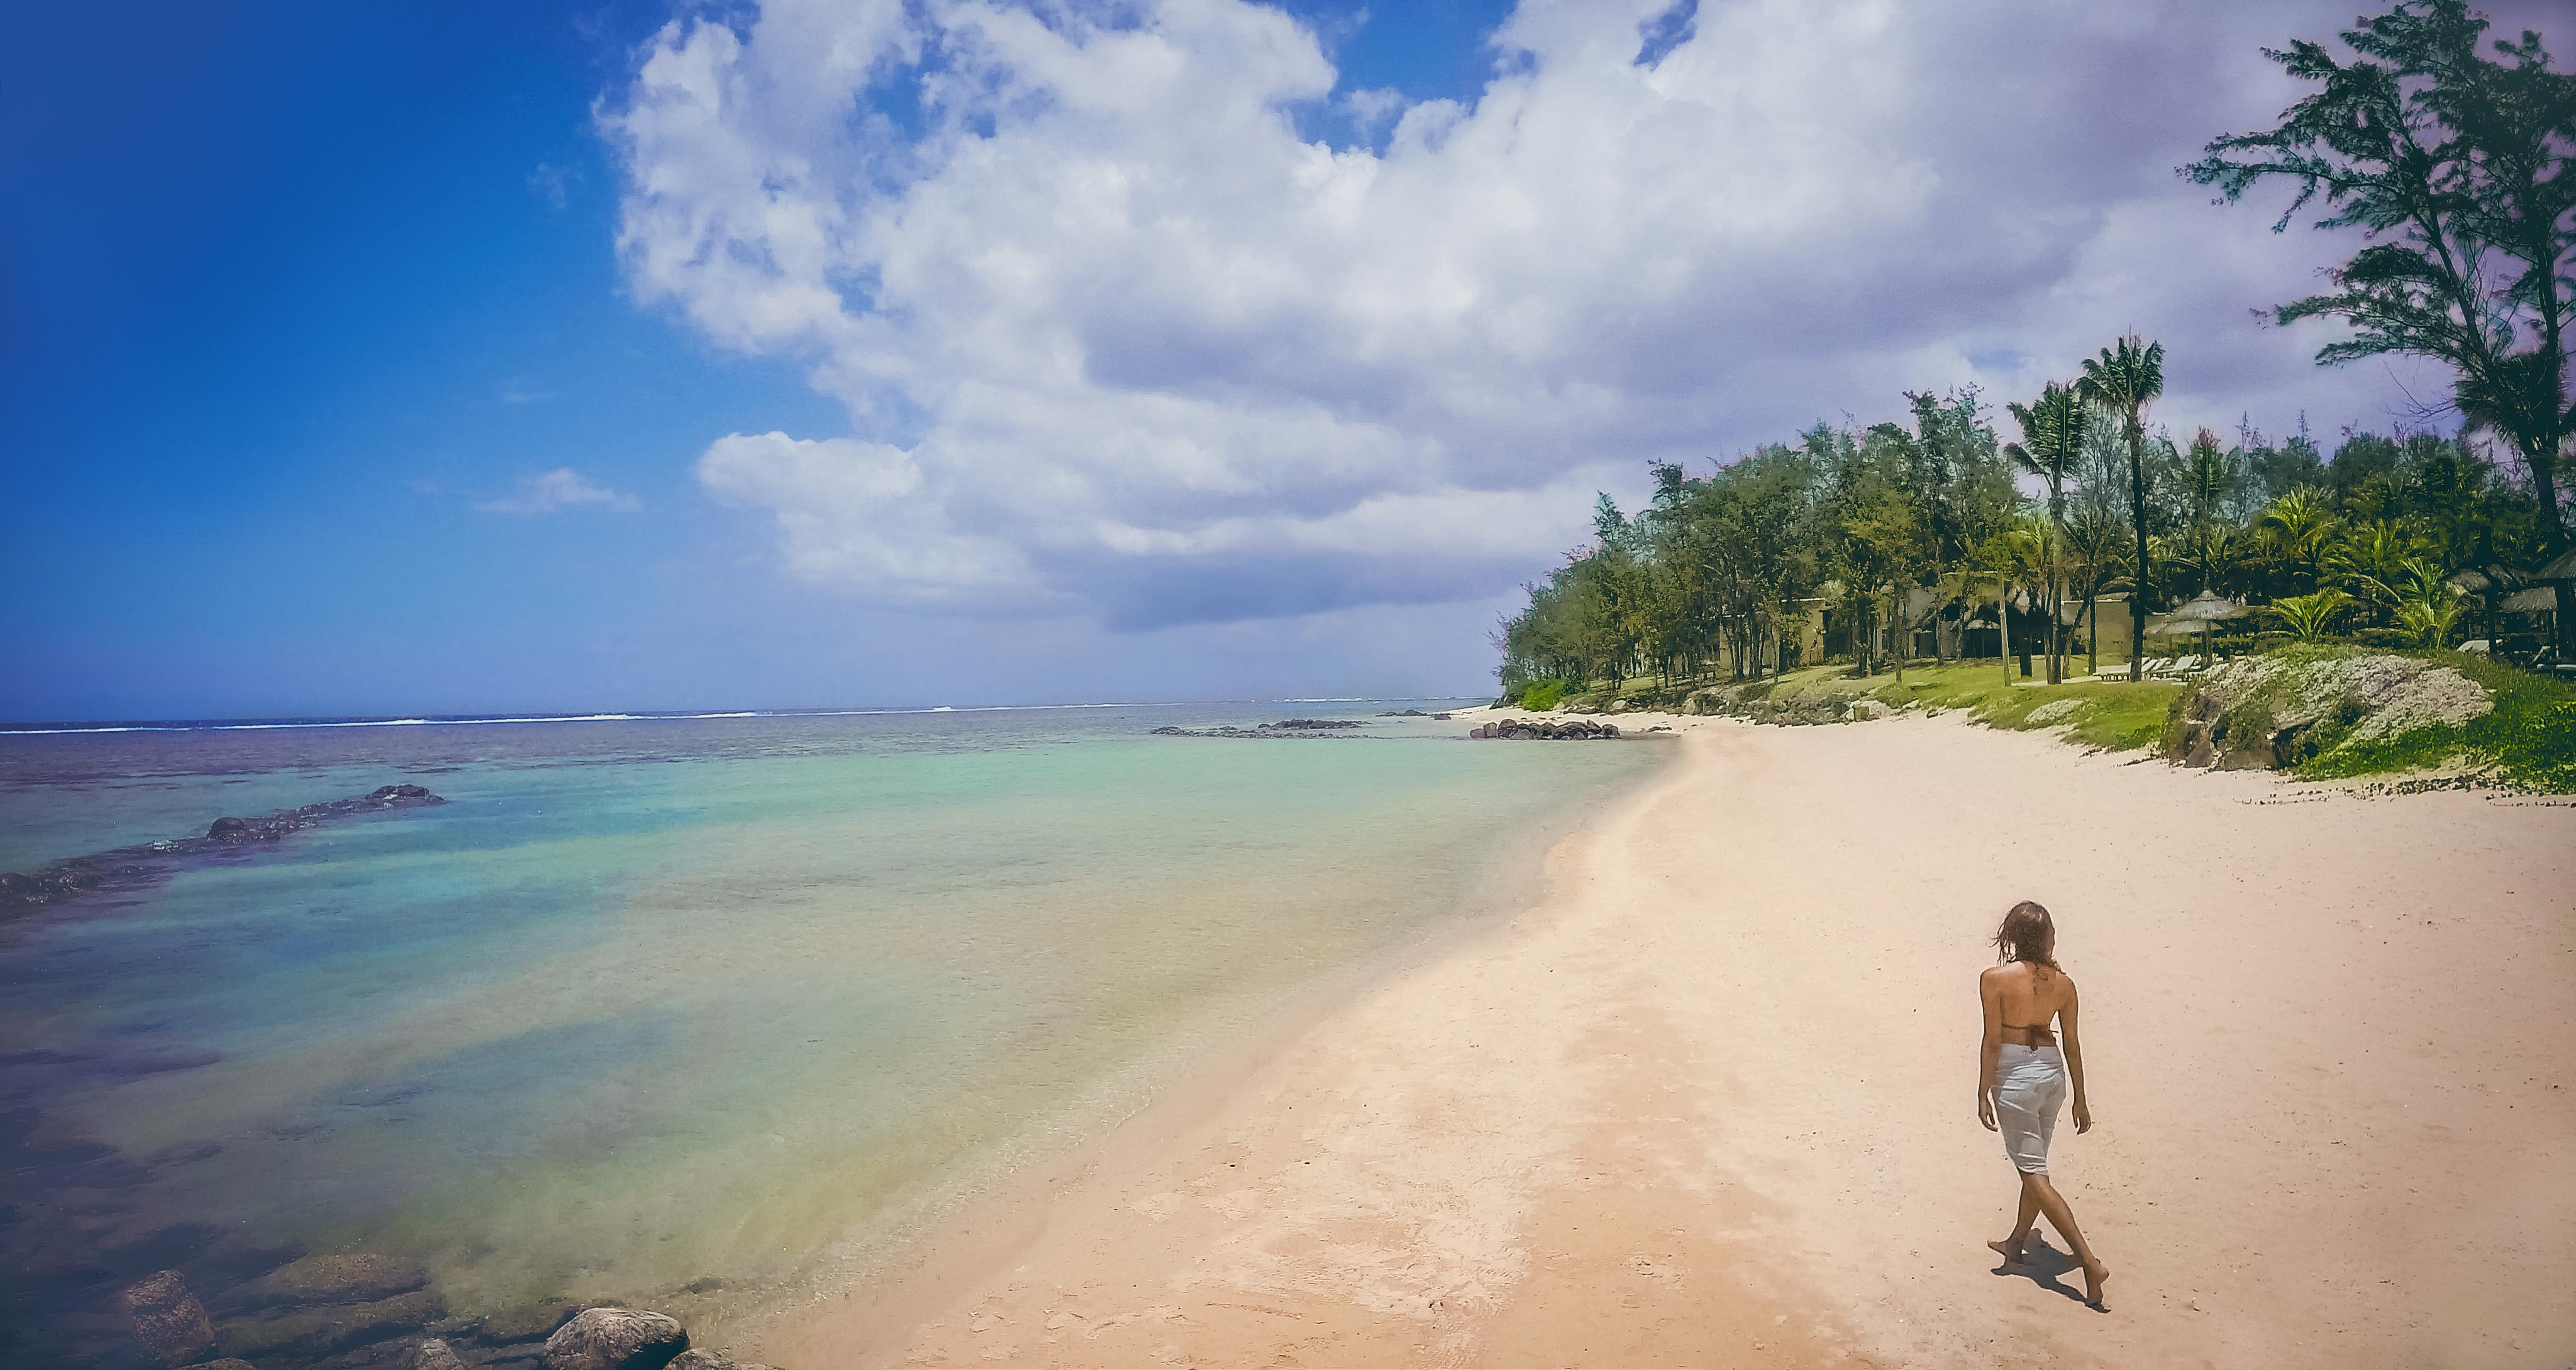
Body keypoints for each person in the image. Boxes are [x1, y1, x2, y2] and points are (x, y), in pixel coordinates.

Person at [1975, 899, 2110, 1309]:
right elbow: (2072, 1043)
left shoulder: (1994, 979)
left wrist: (1982, 1090)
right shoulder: (2064, 985)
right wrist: (2082, 1099)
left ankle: (2088, 1260)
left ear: (2013, 936)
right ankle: (2016, 1243)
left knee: (2033, 1173)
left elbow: (1994, 1040)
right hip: (2052, 1075)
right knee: (2036, 1165)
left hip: (2015, 1077)